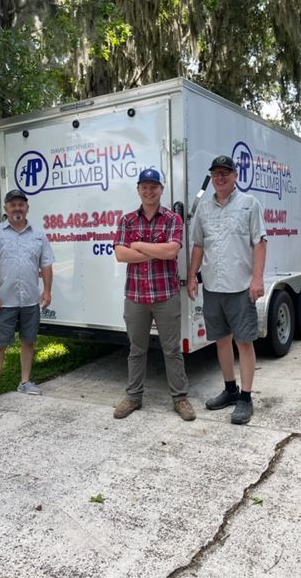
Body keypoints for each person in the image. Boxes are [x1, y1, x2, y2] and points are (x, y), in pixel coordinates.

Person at [187, 155, 266, 424]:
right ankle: (230, 390)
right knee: (220, 340)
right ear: (212, 178)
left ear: (235, 176)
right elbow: (198, 245)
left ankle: (245, 398)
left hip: (241, 287)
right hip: (213, 286)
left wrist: (257, 279)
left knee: (243, 342)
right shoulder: (204, 210)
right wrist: (191, 276)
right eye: (216, 174)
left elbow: (259, 243)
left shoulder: (249, 204)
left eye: (225, 173)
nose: (220, 178)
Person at [113, 168, 196, 421]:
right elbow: (120, 254)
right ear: (138, 190)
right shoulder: (127, 220)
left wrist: (137, 245)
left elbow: (172, 252)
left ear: (162, 189)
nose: (149, 191)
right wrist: (155, 250)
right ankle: (133, 397)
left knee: (171, 349)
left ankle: (180, 398)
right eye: (144, 187)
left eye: (154, 187)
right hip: (135, 296)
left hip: (166, 295)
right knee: (136, 349)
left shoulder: (173, 219)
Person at [0, 189, 54, 411]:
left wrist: (47, 291)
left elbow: (46, 265)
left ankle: (24, 382)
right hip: (5, 300)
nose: (17, 208)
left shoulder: (38, 235)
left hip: (30, 299)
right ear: (6, 208)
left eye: (21, 204)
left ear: (27, 208)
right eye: (13, 205)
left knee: (28, 341)